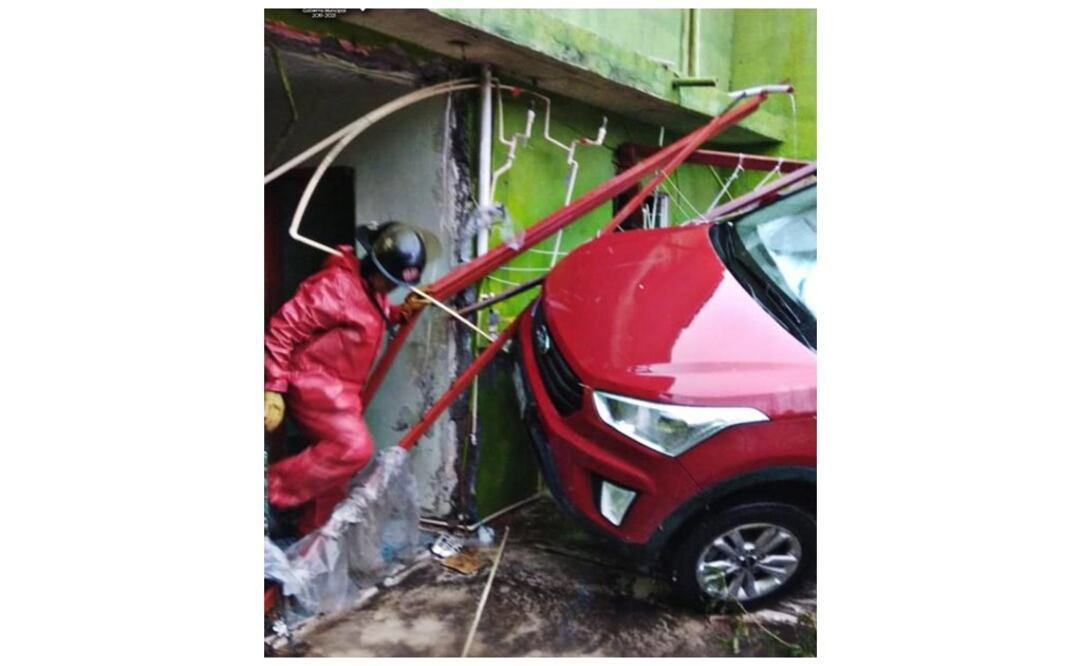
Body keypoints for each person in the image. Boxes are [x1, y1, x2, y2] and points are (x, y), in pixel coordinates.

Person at [263, 221, 428, 535]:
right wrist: (273, 387)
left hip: (341, 391)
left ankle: (310, 541)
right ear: (372, 264)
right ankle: (268, 491)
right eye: (389, 280)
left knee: (333, 479)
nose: (391, 288)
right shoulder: (336, 285)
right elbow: (283, 328)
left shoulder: (372, 289)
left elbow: (364, 317)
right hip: (314, 383)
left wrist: (398, 313)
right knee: (353, 447)